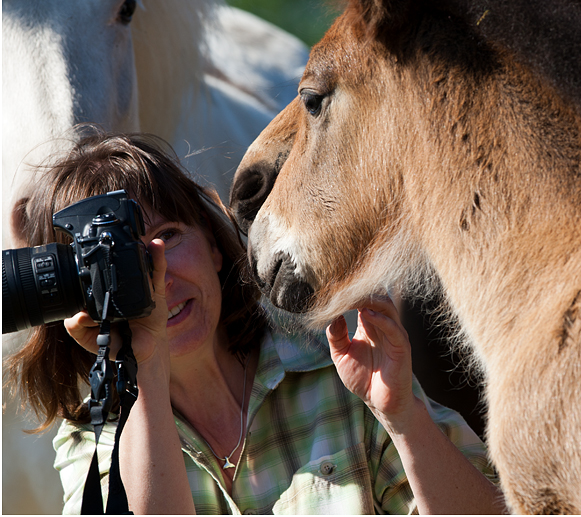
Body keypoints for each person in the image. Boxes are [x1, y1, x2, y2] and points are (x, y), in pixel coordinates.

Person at [4, 126, 504, 514]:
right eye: (120, 265)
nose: (159, 279)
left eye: (169, 236)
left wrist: (403, 418)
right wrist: (144, 369)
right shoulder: (96, 440)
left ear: (216, 247)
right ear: (77, 303)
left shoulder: (340, 365)